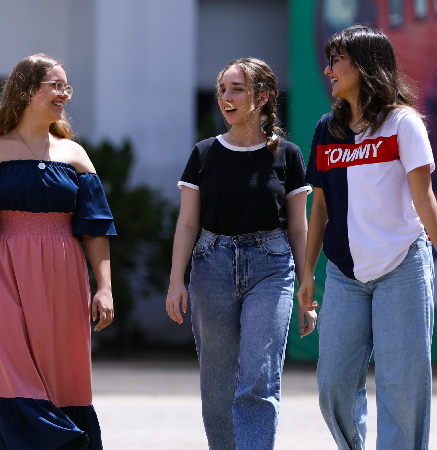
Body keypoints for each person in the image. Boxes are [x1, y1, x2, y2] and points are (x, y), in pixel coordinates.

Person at [298, 25, 437, 450]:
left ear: (365, 65)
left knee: (403, 386)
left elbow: (425, 198)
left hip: (402, 268)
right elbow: (319, 207)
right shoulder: (325, 129)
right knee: (333, 384)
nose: (328, 68)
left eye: (337, 60)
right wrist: (307, 273)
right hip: (344, 274)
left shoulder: (403, 123)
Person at [0, 54, 115, 450]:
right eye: (54, 85)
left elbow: (95, 231)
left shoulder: (75, 155)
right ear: (25, 89)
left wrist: (103, 288)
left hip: (64, 277)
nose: (63, 94)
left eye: (65, 86)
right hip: (1, 275)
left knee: (62, 380)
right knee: (14, 376)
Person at [165, 57, 316, 450]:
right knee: (217, 382)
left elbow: (299, 228)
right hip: (211, 264)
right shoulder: (203, 154)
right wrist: (175, 281)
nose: (226, 98)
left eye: (237, 89)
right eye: (222, 90)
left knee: (258, 379)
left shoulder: (289, 156)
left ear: (263, 97)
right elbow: (186, 224)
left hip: (272, 266)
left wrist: (307, 286)